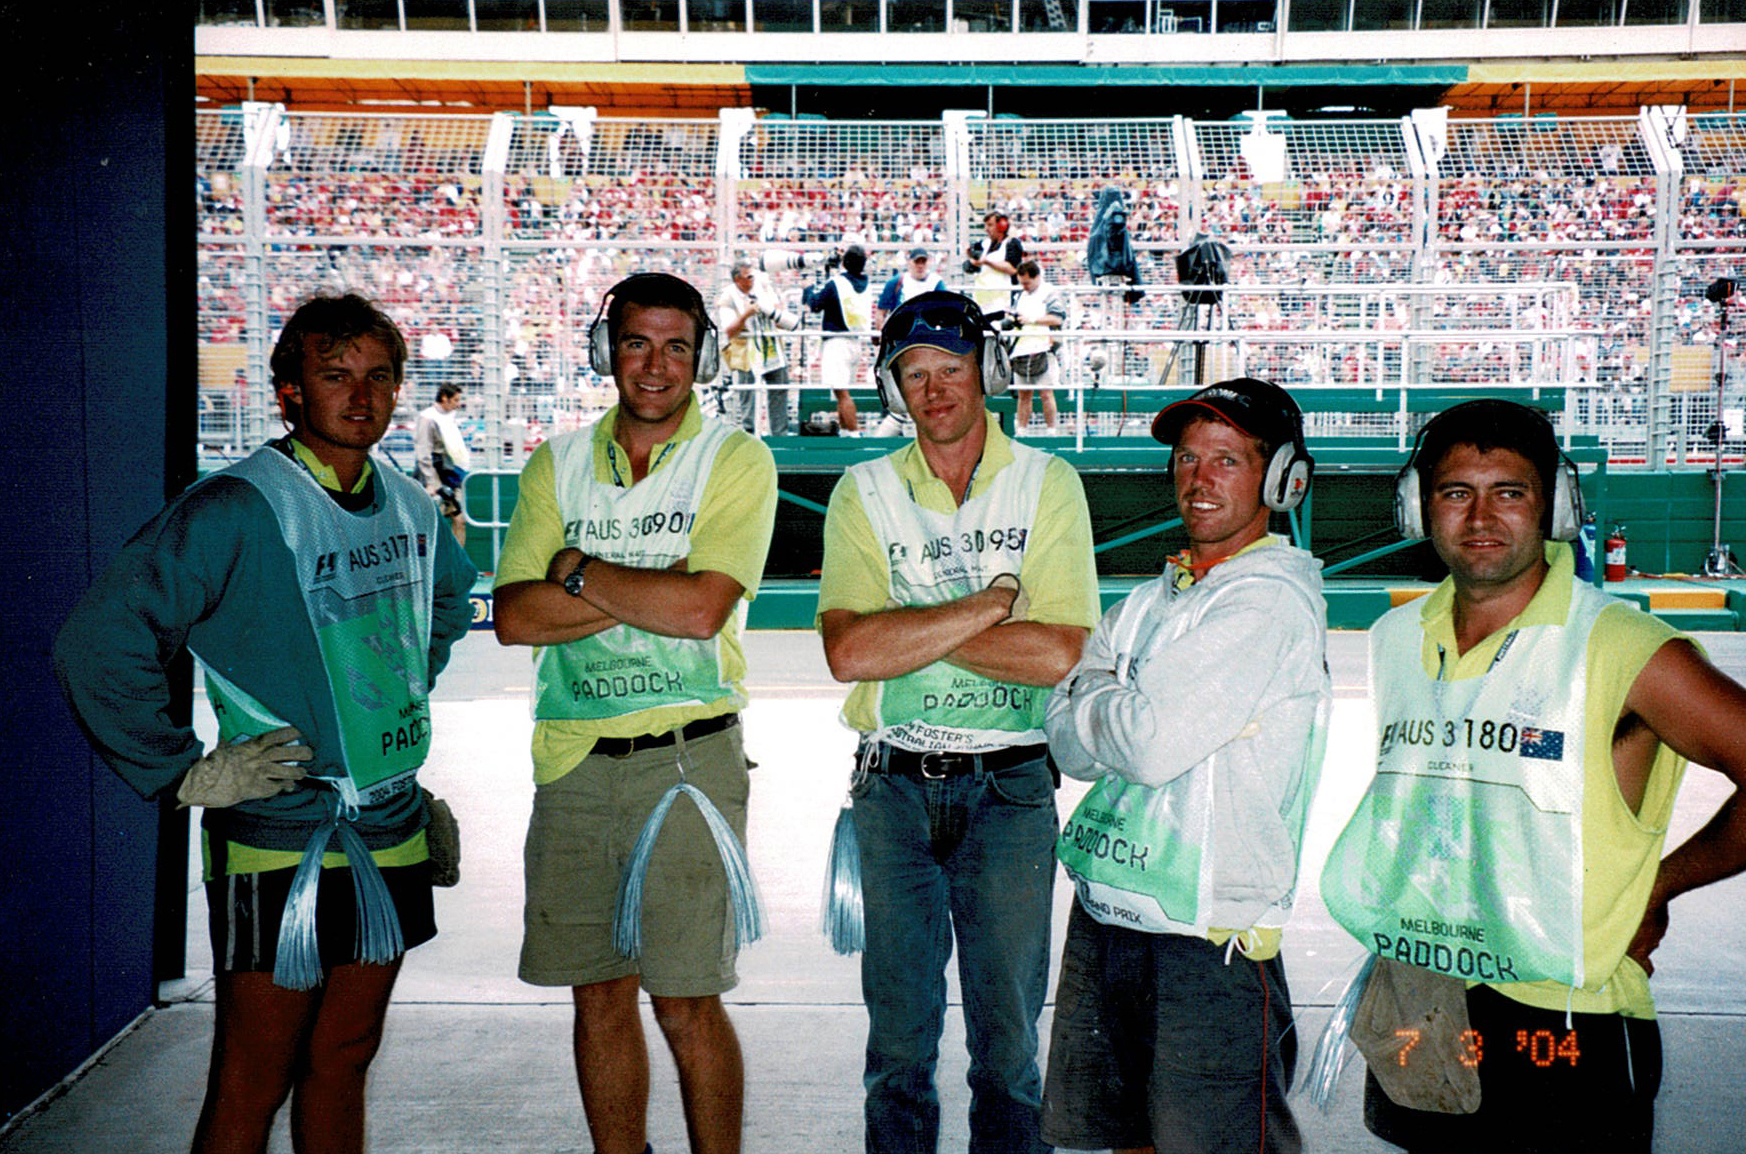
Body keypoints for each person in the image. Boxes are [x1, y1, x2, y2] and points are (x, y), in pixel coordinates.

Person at [54, 292, 476, 1154]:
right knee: (255, 1075)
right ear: (288, 392)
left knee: (348, 1055)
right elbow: (96, 640)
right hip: (279, 831)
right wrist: (181, 771)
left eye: (379, 376)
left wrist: (395, 714)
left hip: (390, 825)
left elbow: (444, 605)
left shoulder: (409, 505)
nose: (361, 395)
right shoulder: (236, 506)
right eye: (334, 376)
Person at [1319, 399, 1746, 1153]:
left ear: (1554, 507)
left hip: (1568, 1022)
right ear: (1421, 509)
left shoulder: (1621, 645)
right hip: (1427, 997)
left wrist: (1662, 882)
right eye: (1456, 492)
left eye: (1509, 492)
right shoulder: (1394, 640)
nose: (1481, 515)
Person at [493, 271, 778, 1154]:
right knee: (597, 993)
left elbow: (702, 611)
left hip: (690, 759)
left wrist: (576, 572)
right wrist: (654, 587)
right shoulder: (557, 462)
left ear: (702, 358)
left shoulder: (735, 458)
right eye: (635, 342)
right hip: (575, 761)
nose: (655, 365)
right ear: (605, 349)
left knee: (688, 1000)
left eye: (676, 346)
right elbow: (513, 618)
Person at [816, 290, 1100, 1154]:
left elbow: (1057, 656)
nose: (935, 390)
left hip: (1010, 788)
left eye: (952, 368)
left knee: (1009, 1051)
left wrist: (913, 625)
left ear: (988, 372)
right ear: (895, 388)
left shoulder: (1048, 484)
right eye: (914, 374)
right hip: (892, 791)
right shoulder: (860, 491)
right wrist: (987, 607)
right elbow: (850, 653)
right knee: (897, 1049)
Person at [1042, 377, 1328, 1154]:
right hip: (1109, 918)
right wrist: (1112, 699)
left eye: (1228, 461)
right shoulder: (1148, 600)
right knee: (1125, 1137)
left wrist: (1099, 686)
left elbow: (1144, 744)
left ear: (1281, 480)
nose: (1199, 481)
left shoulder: (1266, 602)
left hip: (1210, 938)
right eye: (1188, 459)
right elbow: (1065, 748)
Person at [714, 258, 801, 436]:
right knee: (748, 394)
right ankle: (749, 434)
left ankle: (780, 434)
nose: (752, 280)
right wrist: (746, 314)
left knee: (779, 388)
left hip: (772, 347)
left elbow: (778, 311)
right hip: (746, 352)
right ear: (737, 279)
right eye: (748, 277)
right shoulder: (728, 297)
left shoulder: (762, 285)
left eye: (753, 276)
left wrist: (767, 308)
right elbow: (729, 330)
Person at [803, 243, 873, 436]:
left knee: (841, 393)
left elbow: (815, 304)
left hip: (837, 343)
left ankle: (854, 434)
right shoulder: (865, 284)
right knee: (841, 392)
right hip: (854, 342)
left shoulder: (837, 283)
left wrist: (808, 288)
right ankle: (845, 432)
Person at [1009, 260, 1068, 434]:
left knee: (1046, 393)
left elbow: (1057, 319)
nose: (1024, 287)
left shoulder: (1050, 293)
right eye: (1022, 283)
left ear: (1037, 277)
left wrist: (1032, 319)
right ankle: (1021, 431)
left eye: (1027, 283)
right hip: (1021, 350)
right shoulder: (1020, 295)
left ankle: (1051, 430)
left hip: (1044, 349)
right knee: (1023, 395)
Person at [414, 380, 471, 544]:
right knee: (431, 524)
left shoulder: (449, 416)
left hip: (451, 473)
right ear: (444, 398)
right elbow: (423, 452)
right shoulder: (427, 418)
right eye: (455, 400)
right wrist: (432, 483)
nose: (458, 405)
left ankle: (458, 565)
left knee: (460, 519)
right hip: (435, 474)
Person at [966, 210, 1023, 314]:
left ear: (1002, 226)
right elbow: (973, 257)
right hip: (982, 299)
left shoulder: (1011, 243)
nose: (986, 229)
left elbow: (1012, 269)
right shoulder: (984, 243)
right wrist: (971, 258)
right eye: (986, 225)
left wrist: (987, 262)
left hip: (1002, 301)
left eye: (990, 225)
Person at [876, 247, 946, 317]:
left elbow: (944, 309)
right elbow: (881, 312)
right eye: (917, 262)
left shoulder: (936, 283)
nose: (920, 266)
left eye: (923, 262)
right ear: (909, 262)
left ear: (928, 263)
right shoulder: (896, 282)